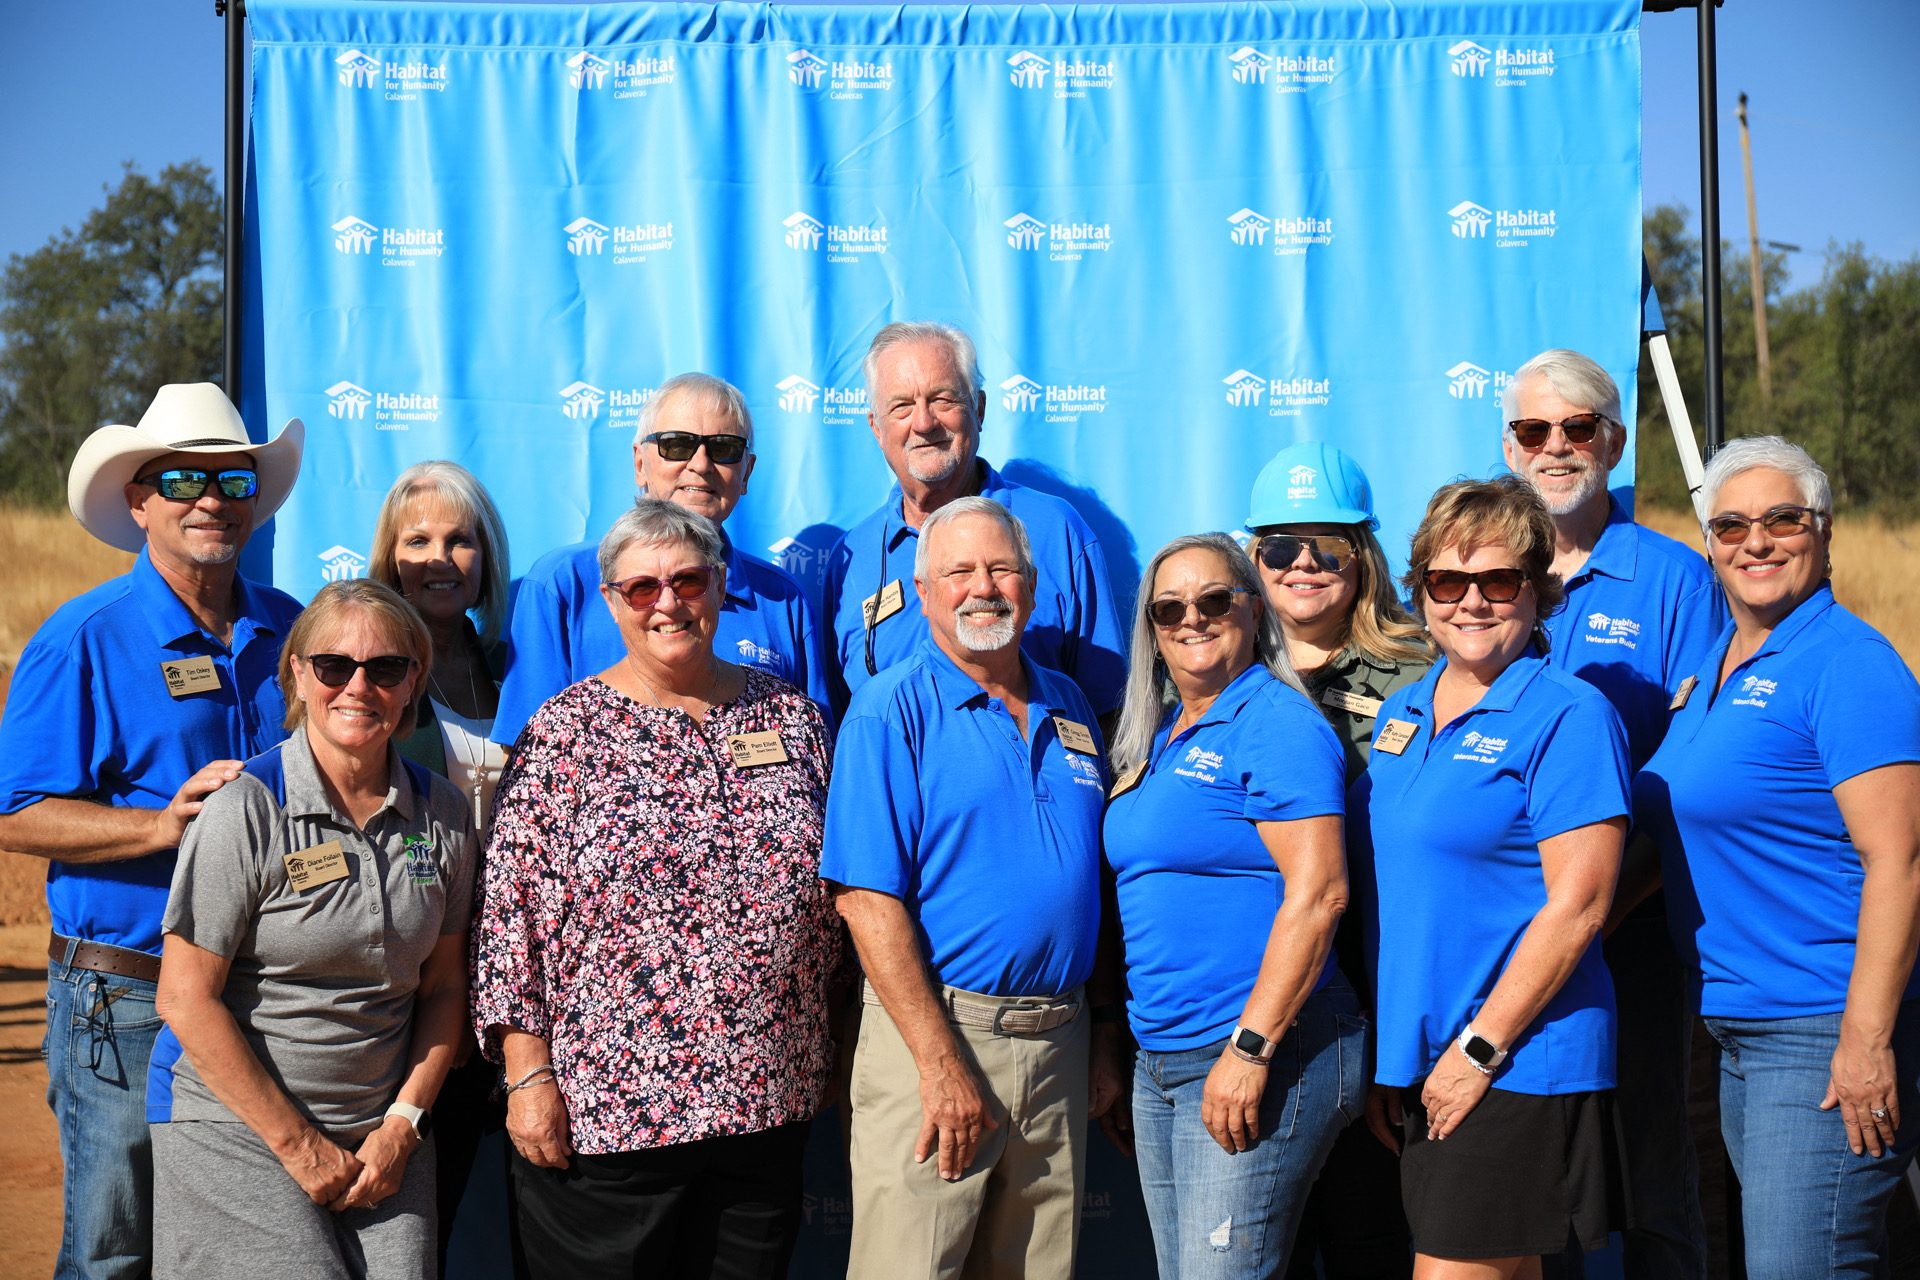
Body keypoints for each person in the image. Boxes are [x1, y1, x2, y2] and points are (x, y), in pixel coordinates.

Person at [470, 499, 842, 1280]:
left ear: (721, 585)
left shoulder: (798, 721)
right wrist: (528, 1075)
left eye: (687, 580)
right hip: (610, 1120)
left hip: (765, 1106)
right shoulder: (564, 732)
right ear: (611, 600)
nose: (667, 602)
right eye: (641, 588)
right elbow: (511, 923)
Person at [0, 383, 303, 1280]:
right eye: (181, 478)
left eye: (232, 479)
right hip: (128, 995)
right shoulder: (82, 640)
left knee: (249, 1239)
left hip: (269, 991)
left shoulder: (291, 629)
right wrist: (158, 827)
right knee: (113, 1249)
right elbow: (17, 813)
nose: (211, 497)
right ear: (138, 501)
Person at [1634, 437, 1920, 1280]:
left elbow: (1900, 861)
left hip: (1822, 1029)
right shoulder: (1713, 663)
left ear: (1823, 530)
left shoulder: (1850, 666)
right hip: (1738, 1031)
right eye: (1730, 526)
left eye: (1781, 519)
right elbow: (1682, 829)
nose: (1755, 541)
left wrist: (1866, 1042)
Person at [147, 578, 476, 1279]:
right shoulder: (245, 811)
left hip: (384, 1137)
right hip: (239, 1130)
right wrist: (297, 1144)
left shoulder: (444, 814)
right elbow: (183, 996)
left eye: (385, 668)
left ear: (413, 679)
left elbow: (445, 989)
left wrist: (403, 1126)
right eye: (335, 666)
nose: (359, 687)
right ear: (298, 671)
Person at [822, 496, 1112, 1280]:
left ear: (1031, 583)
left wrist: (1102, 1039)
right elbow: (864, 900)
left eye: (1001, 568)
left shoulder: (1072, 704)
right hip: (940, 1037)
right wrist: (940, 1063)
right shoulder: (890, 711)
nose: (983, 586)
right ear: (924, 592)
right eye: (959, 571)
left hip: (1060, 1039)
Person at [1351, 475, 1633, 1275]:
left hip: (1515, 1059)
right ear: (1421, 591)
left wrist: (1478, 1051)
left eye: (1499, 580)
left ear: (1537, 591)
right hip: (1427, 1054)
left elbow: (1579, 907)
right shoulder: (1404, 712)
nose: (1471, 601)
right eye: (1447, 580)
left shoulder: (1569, 716)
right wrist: (1395, 1059)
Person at [1503, 350, 1721, 1280]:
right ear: (1508, 446)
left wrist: (1601, 912)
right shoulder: (1480, 575)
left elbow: (1692, 774)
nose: (1556, 448)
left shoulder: (1674, 578)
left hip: (1623, 931)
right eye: (1533, 431)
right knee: (1528, 1182)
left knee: (1650, 1176)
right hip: (1501, 933)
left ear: (1616, 441)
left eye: (1577, 428)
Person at [1101, 531, 1360, 1277]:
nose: (1193, 618)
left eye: (1215, 599)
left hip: (1261, 1046)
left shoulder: (1274, 722)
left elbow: (1321, 894)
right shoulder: (1155, 732)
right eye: (1170, 607)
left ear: (1253, 611)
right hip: (1165, 1057)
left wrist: (1251, 1048)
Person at [1244, 441, 1432, 1280]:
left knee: (1369, 1242)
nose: (1305, 565)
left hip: (1375, 988)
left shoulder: (1421, 672)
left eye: (1329, 546)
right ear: (1255, 560)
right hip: (1247, 992)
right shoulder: (1207, 667)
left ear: (1366, 558)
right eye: (1283, 548)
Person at [492, 372, 832, 747]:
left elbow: (814, 757)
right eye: (677, 444)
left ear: (746, 472)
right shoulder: (564, 584)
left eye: (724, 448)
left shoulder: (783, 600)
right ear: (640, 463)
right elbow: (527, 759)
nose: (701, 464)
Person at [820, 322, 1127, 726]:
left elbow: (1106, 711)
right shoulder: (852, 560)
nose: (924, 422)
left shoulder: (1057, 531)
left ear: (978, 409)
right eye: (901, 407)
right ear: (877, 428)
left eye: (943, 399)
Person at [366, 459, 512, 1271]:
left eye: (459, 541)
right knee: (400, 1217)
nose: (438, 558)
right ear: (388, 555)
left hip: (508, 975)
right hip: (411, 979)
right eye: (416, 540)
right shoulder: (369, 666)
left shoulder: (511, 661)